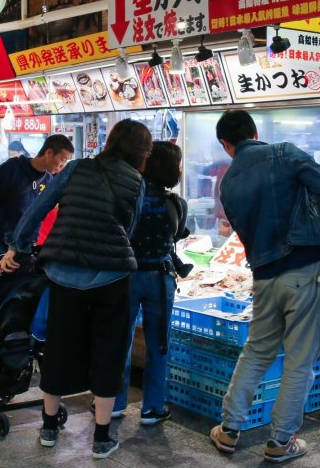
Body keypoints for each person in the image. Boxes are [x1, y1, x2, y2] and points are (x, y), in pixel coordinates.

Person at [0, 119, 152, 460]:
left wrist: (17, 246)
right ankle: (100, 438)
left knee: (59, 348)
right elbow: (130, 226)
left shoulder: (78, 168)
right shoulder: (136, 180)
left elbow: (39, 206)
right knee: (108, 352)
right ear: (142, 152)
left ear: (110, 141)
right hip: (110, 277)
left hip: (63, 273)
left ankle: (49, 428)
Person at [209, 110, 320, 463]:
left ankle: (228, 430)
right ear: (255, 132)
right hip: (304, 269)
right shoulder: (284, 153)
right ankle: (281, 441)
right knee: (300, 361)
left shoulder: (228, 183)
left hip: (264, 275)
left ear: (227, 145)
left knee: (256, 351)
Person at [114, 141, 192, 425]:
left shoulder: (127, 200)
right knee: (159, 344)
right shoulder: (176, 203)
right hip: (160, 278)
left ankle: (113, 403)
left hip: (126, 277)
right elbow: (179, 234)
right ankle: (152, 408)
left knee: (119, 341)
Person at [0, 134, 74, 310]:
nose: (62, 165)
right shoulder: (10, 169)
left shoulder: (49, 181)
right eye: (62, 159)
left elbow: (38, 217)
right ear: (49, 152)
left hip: (22, 249)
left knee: (10, 296)